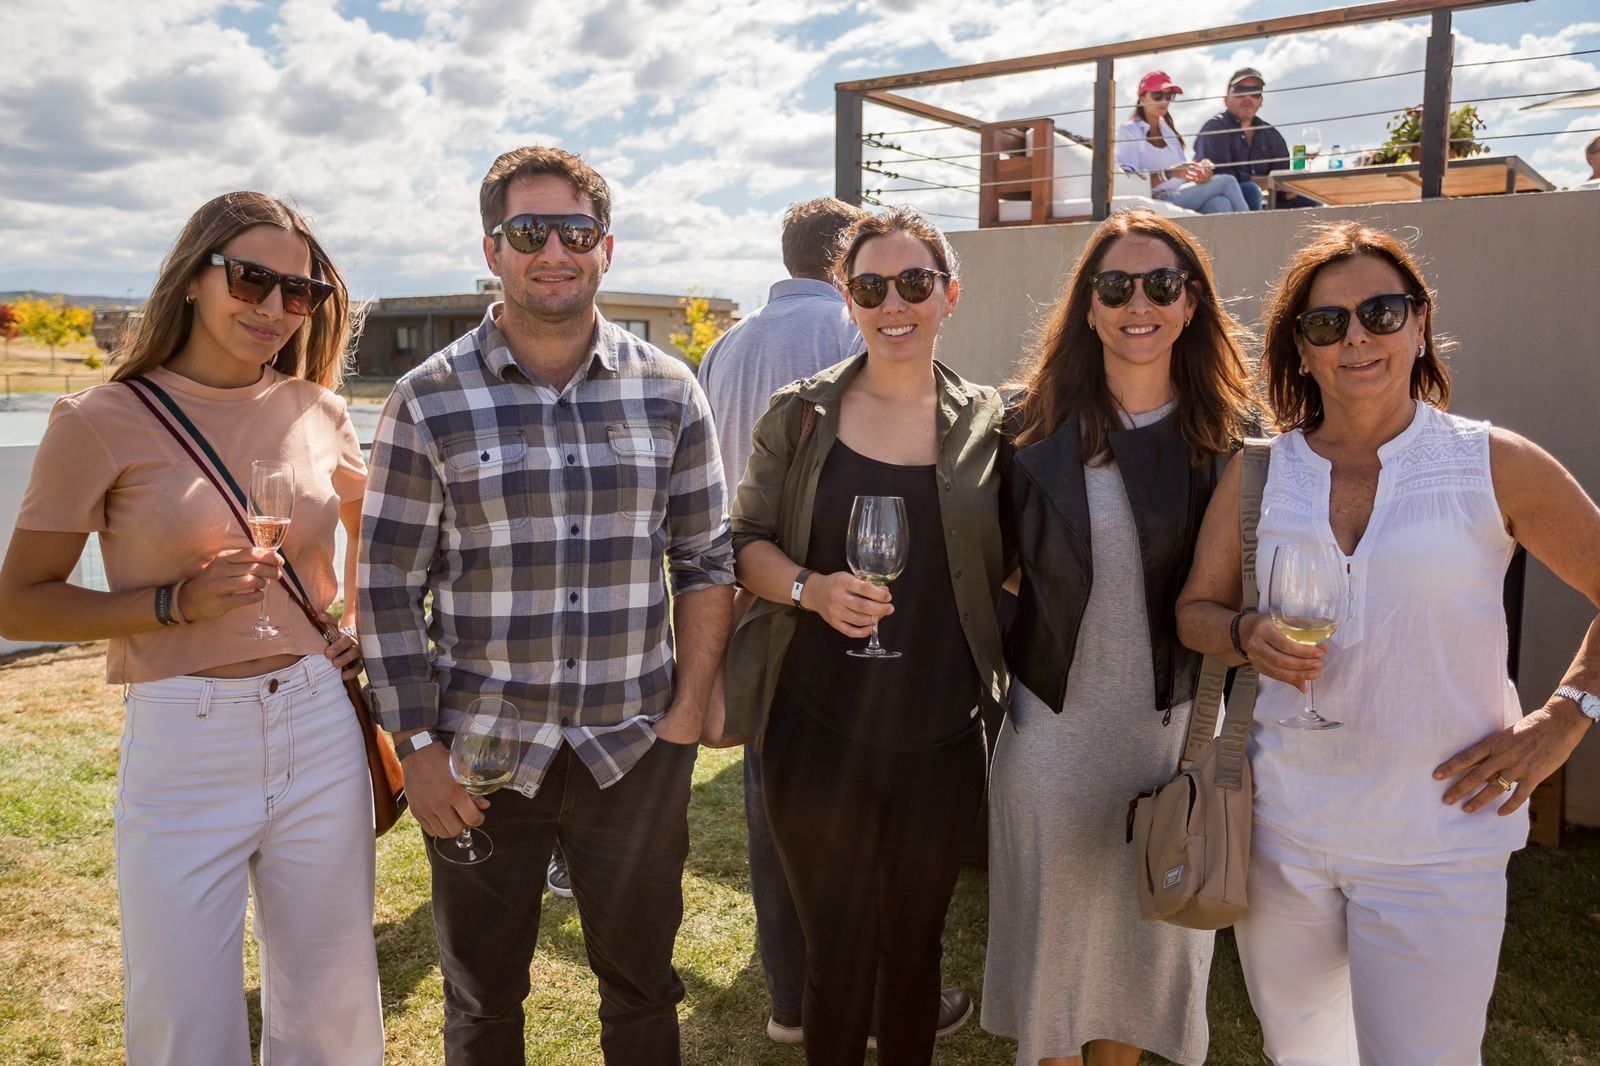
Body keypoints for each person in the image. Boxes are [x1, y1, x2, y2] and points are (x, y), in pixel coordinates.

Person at [1176, 222, 1600, 1064]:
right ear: (1300, 349)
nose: (1357, 338)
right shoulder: (1262, 471)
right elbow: (1195, 609)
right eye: (1327, 324)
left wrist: (1567, 713)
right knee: (1301, 1056)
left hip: (1438, 839)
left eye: (1380, 311)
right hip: (1281, 834)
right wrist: (1243, 632)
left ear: (1419, 323)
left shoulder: (1492, 463)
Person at [358, 145, 735, 1065]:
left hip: (633, 749)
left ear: (607, 246)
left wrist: (688, 708)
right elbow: (384, 589)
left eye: (576, 231)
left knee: (645, 989)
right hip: (480, 758)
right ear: (493, 248)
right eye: (531, 231)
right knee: (483, 1003)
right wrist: (419, 753)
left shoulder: (668, 388)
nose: (554, 251)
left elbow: (706, 556)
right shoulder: (426, 398)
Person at [0, 191, 380, 1064]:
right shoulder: (99, 419)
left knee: (333, 1001)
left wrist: (353, 616)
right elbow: (20, 600)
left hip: (319, 720)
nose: (277, 310)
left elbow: (370, 525)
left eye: (302, 294)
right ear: (194, 279)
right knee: (181, 1013)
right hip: (184, 734)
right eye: (254, 280)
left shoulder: (317, 410)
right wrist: (172, 603)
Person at [726, 207, 1008, 1064]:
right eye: (872, 286)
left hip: (940, 736)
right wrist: (810, 590)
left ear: (949, 295)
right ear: (846, 298)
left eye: (915, 284)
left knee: (914, 955)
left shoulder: (991, 422)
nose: (895, 303)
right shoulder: (800, 414)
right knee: (837, 960)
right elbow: (744, 548)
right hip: (816, 731)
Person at [982, 208, 1255, 1066]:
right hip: (1053, 735)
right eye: (1116, 286)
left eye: (1161, 284)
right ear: (1089, 308)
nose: (1139, 302)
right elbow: (985, 566)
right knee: (1059, 986)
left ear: (1191, 304)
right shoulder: (1023, 428)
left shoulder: (1233, 439)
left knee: (1139, 979)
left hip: (1172, 742)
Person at [1116, 71, 1250, 215]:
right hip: (1156, 200)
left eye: (1169, 96)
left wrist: (1198, 174)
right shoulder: (1129, 131)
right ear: (1142, 98)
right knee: (1227, 181)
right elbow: (1129, 182)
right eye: (1157, 96)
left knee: (1219, 203)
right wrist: (1168, 174)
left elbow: (1180, 175)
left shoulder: (1169, 131)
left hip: (1178, 195)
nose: (1164, 101)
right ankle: (1257, 233)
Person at [1193, 68, 1321, 211]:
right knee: (1250, 190)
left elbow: (1281, 180)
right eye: (1240, 91)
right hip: (1223, 200)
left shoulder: (1272, 135)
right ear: (1226, 99)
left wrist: (1289, 190)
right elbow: (1223, 178)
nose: (1248, 98)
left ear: (1261, 100)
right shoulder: (1214, 128)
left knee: (1310, 199)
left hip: (1263, 201)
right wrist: (1270, 183)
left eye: (1255, 92)